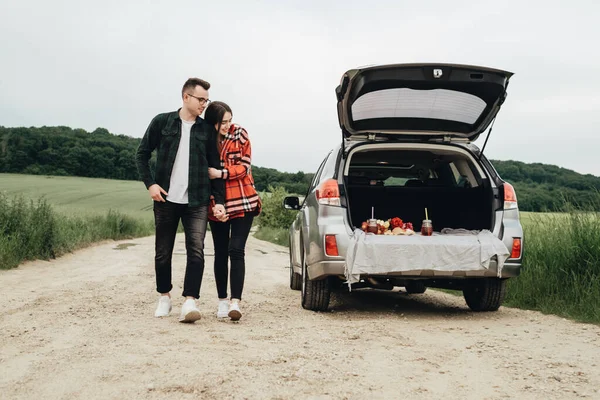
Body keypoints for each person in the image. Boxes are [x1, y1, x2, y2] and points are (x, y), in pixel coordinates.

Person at [136, 78, 227, 323]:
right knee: (163, 251)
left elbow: (215, 166)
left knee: (196, 251)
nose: (204, 105)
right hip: (165, 198)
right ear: (186, 97)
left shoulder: (206, 130)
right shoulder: (162, 122)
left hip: (196, 199)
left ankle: (189, 301)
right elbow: (142, 154)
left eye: (206, 100)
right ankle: (164, 296)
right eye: (200, 100)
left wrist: (219, 200)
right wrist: (151, 184)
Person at [204, 101, 261, 321]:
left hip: (242, 197)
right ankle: (221, 300)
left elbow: (244, 167)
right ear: (213, 123)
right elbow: (203, 174)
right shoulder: (207, 140)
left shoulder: (240, 134)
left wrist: (221, 173)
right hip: (217, 202)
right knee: (219, 251)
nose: (228, 125)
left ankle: (236, 302)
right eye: (223, 122)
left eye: (229, 120)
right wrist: (214, 203)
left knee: (236, 250)